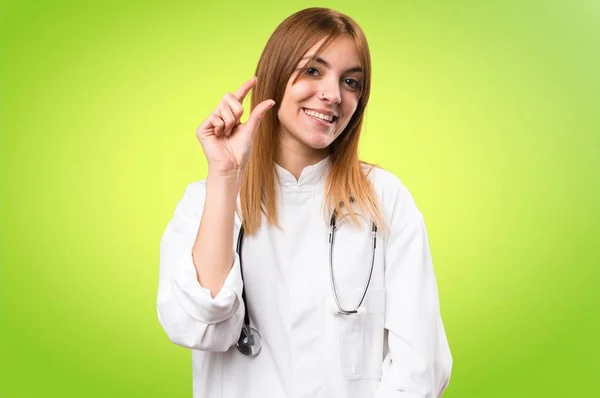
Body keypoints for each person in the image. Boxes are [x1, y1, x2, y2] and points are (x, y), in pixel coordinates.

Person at [157, 7, 452, 398]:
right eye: (313, 70)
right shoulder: (207, 199)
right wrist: (225, 177)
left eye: (350, 82)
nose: (333, 95)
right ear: (277, 75)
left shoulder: (384, 198)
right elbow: (199, 326)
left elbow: (420, 366)